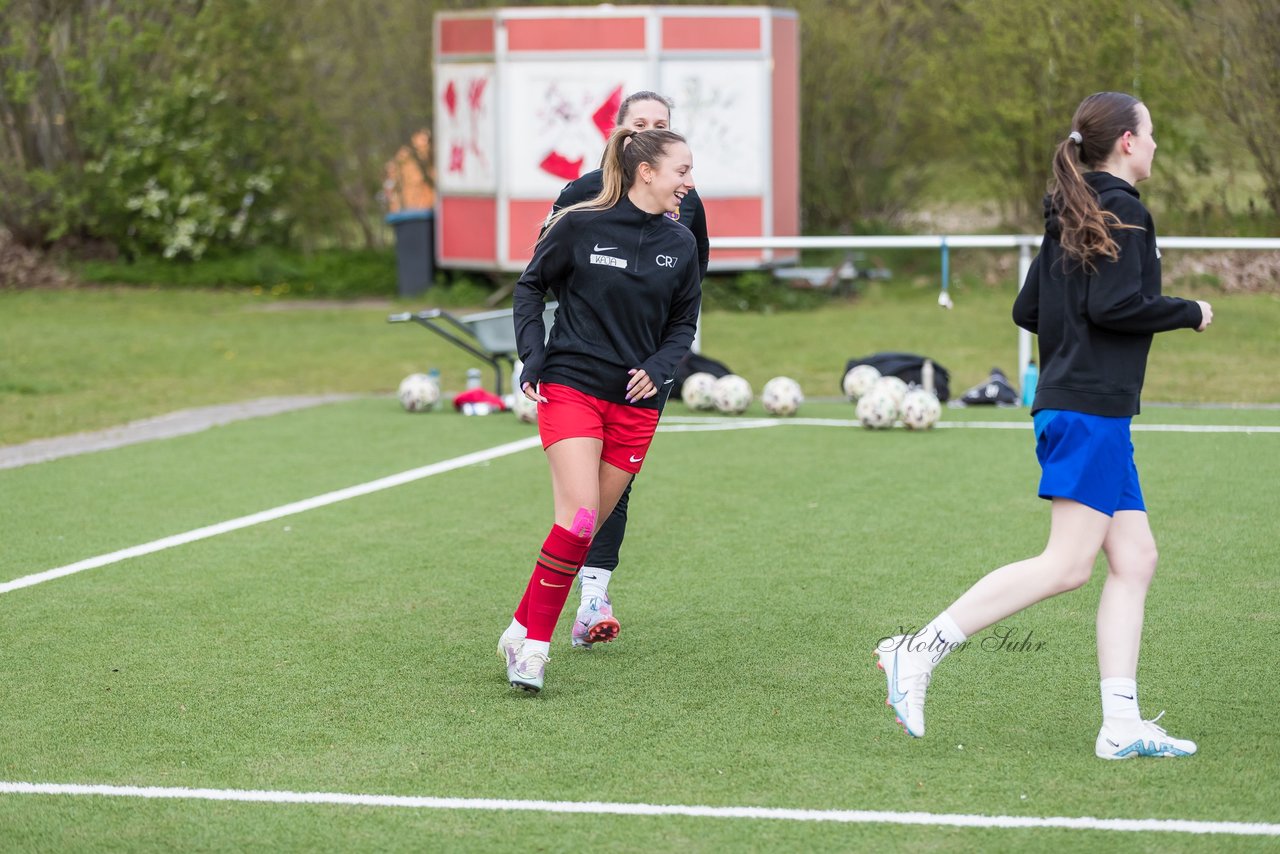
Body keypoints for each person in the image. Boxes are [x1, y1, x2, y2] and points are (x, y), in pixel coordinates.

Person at [876, 92, 1214, 758]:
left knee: (1136, 559)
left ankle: (1121, 725)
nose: (1155, 145)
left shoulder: (1074, 209)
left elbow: (1030, 308)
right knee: (1065, 566)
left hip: (1088, 405)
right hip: (1088, 409)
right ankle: (916, 652)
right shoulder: (1122, 209)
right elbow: (1118, 305)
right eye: (1151, 132)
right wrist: (1188, 311)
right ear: (1125, 142)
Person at [499, 127, 701, 693]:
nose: (689, 181)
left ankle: (519, 627)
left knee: (579, 531)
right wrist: (533, 356)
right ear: (646, 172)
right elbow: (529, 288)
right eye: (682, 170)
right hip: (572, 386)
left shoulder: (680, 243)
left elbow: (683, 323)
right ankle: (534, 651)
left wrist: (661, 367)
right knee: (581, 516)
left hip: (637, 406)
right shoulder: (579, 223)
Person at [545, 91, 711, 651]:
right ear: (620, 134)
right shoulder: (580, 196)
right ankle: (538, 618)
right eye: (638, 123)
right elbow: (547, 273)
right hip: (581, 370)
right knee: (579, 501)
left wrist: (663, 359)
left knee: (616, 486)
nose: (647, 130)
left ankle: (593, 597)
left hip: (645, 373)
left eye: (659, 125)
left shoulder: (686, 203)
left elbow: (690, 286)